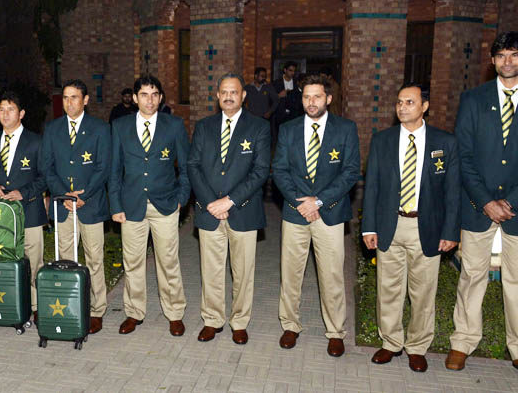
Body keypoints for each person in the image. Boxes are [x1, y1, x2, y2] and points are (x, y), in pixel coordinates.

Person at [446, 31, 518, 385]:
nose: (507, 61)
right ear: (492, 60)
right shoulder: (473, 99)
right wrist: (486, 200)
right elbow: (462, 156)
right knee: (471, 275)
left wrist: (511, 201)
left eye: (514, 55)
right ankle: (463, 342)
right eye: (501, 55)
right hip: (478, 205)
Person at [361, 82, 460, 372]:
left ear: (424, 107)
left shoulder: (445, 142)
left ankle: (417, 347)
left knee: (423, 292)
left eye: (410, 102)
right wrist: (369, 227)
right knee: (388, 289)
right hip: (391, 224)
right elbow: (373, 187)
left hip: (426, 227)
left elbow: (453, 192)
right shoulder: (383, 140)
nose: (402, 107)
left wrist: (450, 231)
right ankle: (390, 342)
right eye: (400, 102)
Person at [272, 73, 360, 357]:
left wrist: (319, 201)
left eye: (317, 96)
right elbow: (280, 170)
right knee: (290, 273)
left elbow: (350, 172)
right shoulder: (288, 129)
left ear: (329, 99)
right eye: (306, 96)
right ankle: (290, 325)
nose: (311, 102)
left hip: (330, 213)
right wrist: (301, 202)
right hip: (295, 212)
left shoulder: (345, 129)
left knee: (332, 274)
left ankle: (335, 331)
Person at [187, 73, 270, 344]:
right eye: (223, 92)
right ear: (217, 95)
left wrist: (230, 200)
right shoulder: (204, 126)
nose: (228, 96)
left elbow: (260, 171)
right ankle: (212, 320)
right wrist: (213, 202)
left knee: (243, 272)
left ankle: (239, 322)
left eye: (234, 92)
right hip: (210, 211)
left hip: (243, 211)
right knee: (210, 270)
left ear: (243, 96)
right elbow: (193, 166)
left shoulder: (258, 127)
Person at [110, 74, 190, 336]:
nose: (150, 100)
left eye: (155, 94)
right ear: (134, 98)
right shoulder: (120, 126)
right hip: (131, 205)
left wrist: (181, 199)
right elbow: (114, 170)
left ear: (161, 98)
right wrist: (115, 204)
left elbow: (186, 168)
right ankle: (134, 312)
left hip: (165, 204)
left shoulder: (174, 125)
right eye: (144, 94)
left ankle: (174, 313)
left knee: (168, 261)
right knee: (132, 262)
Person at [40, 79, 111, 334]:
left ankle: (96, 310)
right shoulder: (52, 129)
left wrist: (84, 195)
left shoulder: (100, 129)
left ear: (86, 100)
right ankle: (69, 306)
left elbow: (104, 167)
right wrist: (63, 194)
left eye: (74, 97)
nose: (69, 102)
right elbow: (46, 167)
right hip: (63, 204)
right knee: (65, 258)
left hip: (89, 204)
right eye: (65, 98)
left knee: (94, 258)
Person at [0, 91, 46, 323]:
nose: (5, 114)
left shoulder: (36, 141)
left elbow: (45, 176)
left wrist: (24, 193)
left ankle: (36, 307)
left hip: (30, 213)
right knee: (5, 261)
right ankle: (10, 304)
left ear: (22, 113)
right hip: (1, 217)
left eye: (11, 109)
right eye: (1, 110)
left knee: (33, 262)